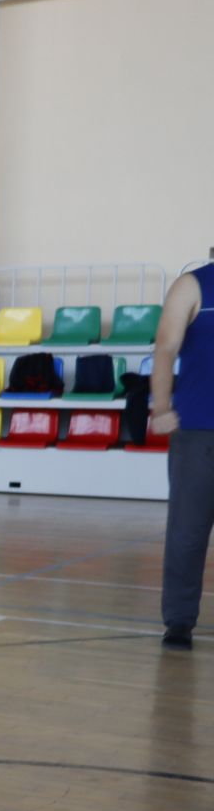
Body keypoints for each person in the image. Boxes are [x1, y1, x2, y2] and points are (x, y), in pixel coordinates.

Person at [150, 262, 214, 651]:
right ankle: (178, 621)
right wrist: (160, 407)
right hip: (197, 431)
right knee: (187, 534)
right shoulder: (192, 285)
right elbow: (165, 347)